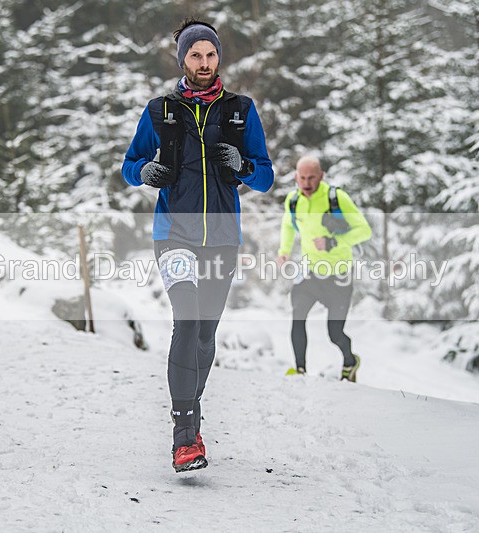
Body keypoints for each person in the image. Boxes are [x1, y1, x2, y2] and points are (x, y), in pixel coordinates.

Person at [122, 18, 273, 472]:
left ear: (218, 58)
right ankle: (184, 435)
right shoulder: (160, 111)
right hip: (174, 235)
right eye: (195, 55)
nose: (204, 63)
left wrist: (243, 165)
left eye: (210, 54)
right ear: (182, 60)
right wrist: (144, 172)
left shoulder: (241, 110)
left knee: (205, 335)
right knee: (186, 321)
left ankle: (192, 415)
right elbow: (130, 164)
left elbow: (265, 177)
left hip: (222, 240)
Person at [277, 155, 371, 382]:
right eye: (302, 178)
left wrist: (333, 241)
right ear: (296, 177)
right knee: (297, 316)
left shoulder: (336, 198)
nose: (307, 183)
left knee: (335, 333)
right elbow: (288, 225)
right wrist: (284, 251)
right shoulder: (293, 200)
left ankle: (350, 361)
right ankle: (300, 370)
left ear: (321, 176)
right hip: (310, 274)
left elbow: (364, 230)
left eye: (311, 177)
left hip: (339, 277)